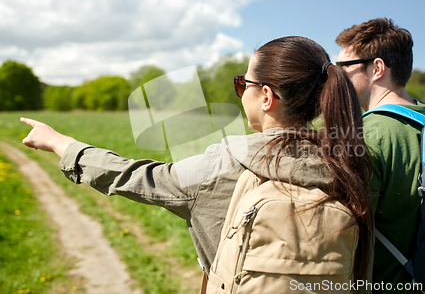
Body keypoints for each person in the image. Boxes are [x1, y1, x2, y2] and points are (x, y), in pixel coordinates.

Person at [22, 36, 373, 291]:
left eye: (242, 84)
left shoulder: (226, 163)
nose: (241, 91)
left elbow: (138, 177)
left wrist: (61, 144)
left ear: (265, 96)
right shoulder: (349, 164)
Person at [335, 18, 425, 293]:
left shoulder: (364, 134)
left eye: (344, 68)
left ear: (376, 68)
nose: (338, 78)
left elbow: (343, 236)